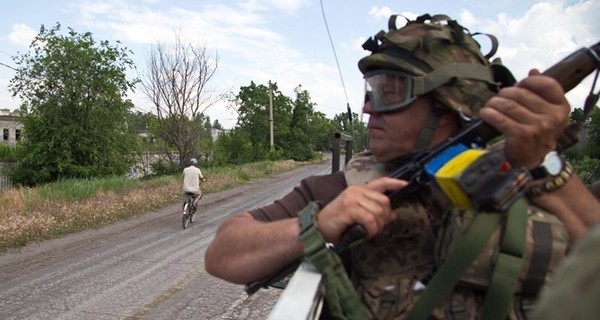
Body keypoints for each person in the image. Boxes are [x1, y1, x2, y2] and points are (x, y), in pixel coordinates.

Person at [205, 13, 600, 319]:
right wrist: (317, 224)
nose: (367, 108)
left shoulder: (530, 178)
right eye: (370, 91)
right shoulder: (340, 191)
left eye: (389, 93)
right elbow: (222, 253)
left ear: (448, 103)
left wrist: (544, 167)